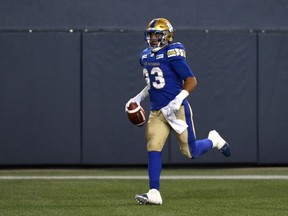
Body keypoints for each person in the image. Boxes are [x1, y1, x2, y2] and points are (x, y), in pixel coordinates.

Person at [125, 18, 231, 205]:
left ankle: (213, 140)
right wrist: (138, 98)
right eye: (151, 35)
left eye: (157, 34)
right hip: (157, 111)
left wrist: (178, 99)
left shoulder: (173, 53)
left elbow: (191, 80)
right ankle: (154, 192)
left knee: (190, 152)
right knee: (153, 147)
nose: (153, 39)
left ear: (167, 35)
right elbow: (152, 85)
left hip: (177, 110)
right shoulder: (146, 56)